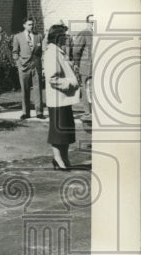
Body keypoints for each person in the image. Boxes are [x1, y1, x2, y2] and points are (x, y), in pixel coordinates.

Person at [43, 24, 80, 170]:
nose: (67, 37)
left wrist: (71, 67)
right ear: (58, 36)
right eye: (64, 35)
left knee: (65, 130)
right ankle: (58, 159)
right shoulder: (52, 52)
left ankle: (63, 158)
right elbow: (52, 78)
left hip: (63, 99)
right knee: (58, 132)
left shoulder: (58, 51)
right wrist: (70, 82)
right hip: (58, 99)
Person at [12, 16, 44, 119]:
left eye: (32, 24)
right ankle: (26, 112)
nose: (32, 26)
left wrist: (41, 65)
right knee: (25, 89)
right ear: (24, 25)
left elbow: (41, 52)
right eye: (29, 24)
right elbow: (15, 52)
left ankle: (39, 112)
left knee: (38, 88)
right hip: (23, 66)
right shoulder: (18, 37)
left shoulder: (39, 36)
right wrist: (18, 63)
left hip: (36, 66)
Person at [71, 14, 94, 119]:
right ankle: (87, 112)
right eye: (91, 22)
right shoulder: (84, 33)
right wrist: (77, 64)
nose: (93, 24)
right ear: (87, 23)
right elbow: (76, 51)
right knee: (86, 90)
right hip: (86, 67)